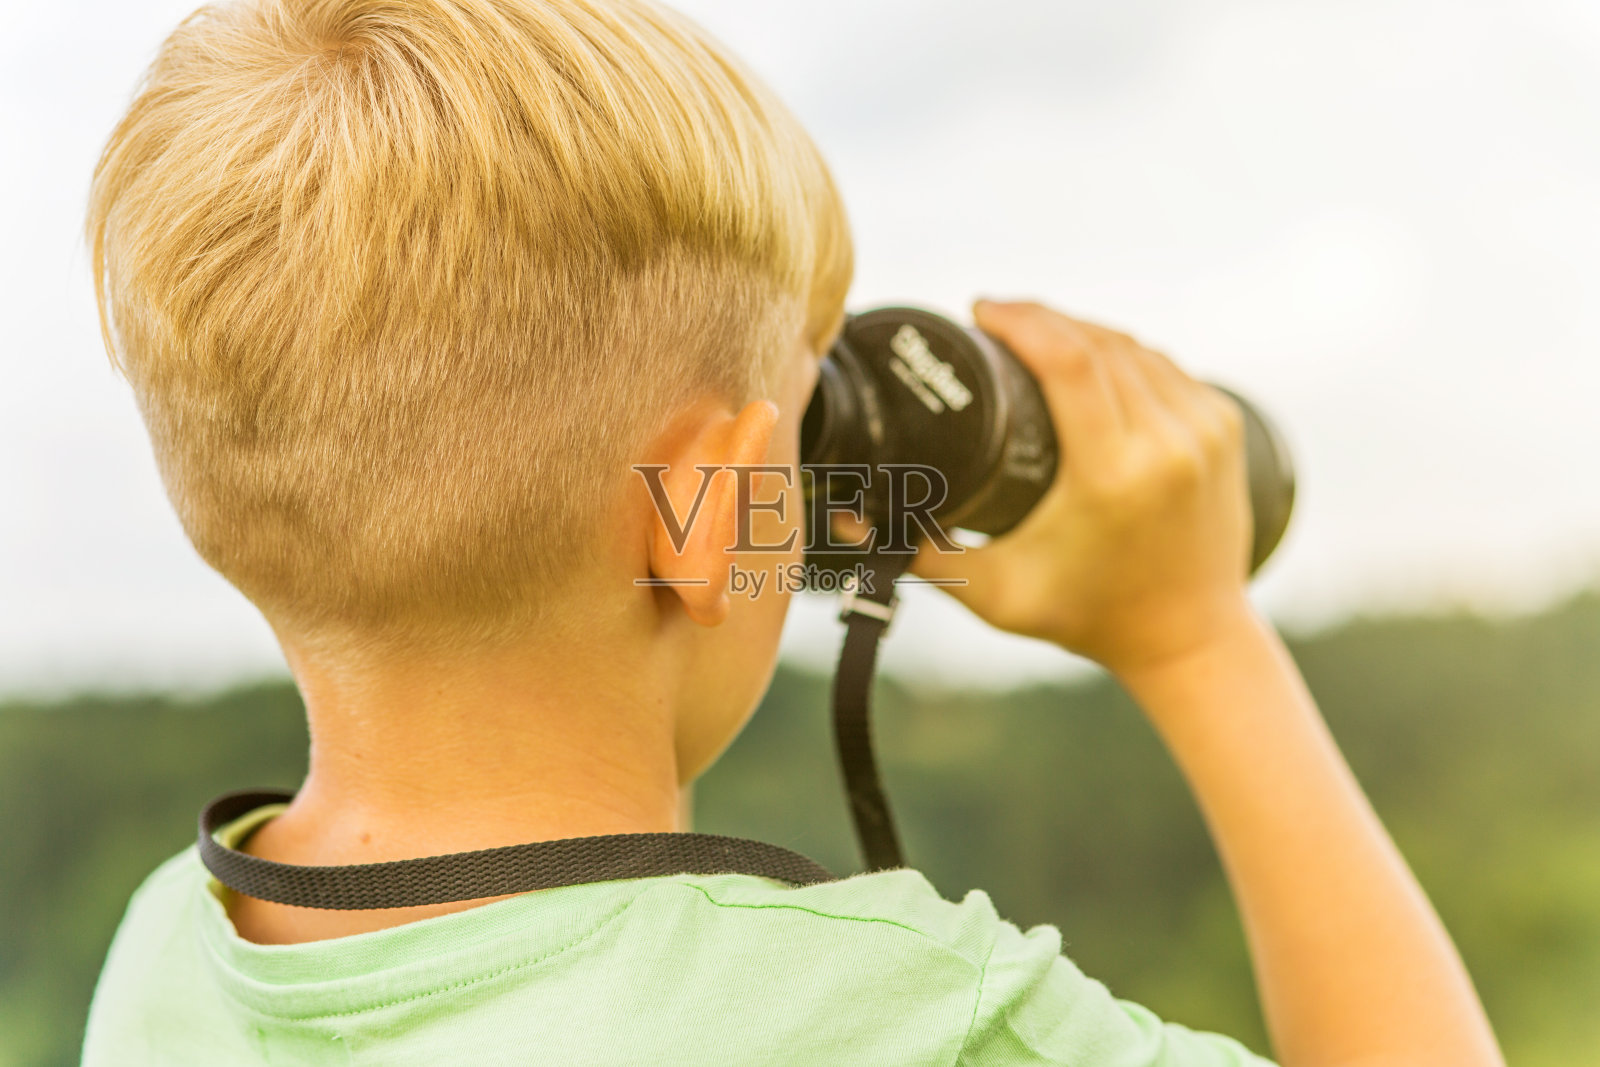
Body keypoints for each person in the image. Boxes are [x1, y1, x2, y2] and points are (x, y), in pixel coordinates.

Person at [80, 0, 1504, 1063]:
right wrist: (1197, 639)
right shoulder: (902, 1018)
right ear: (712, 511)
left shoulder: (165, 952)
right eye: (806, 415)